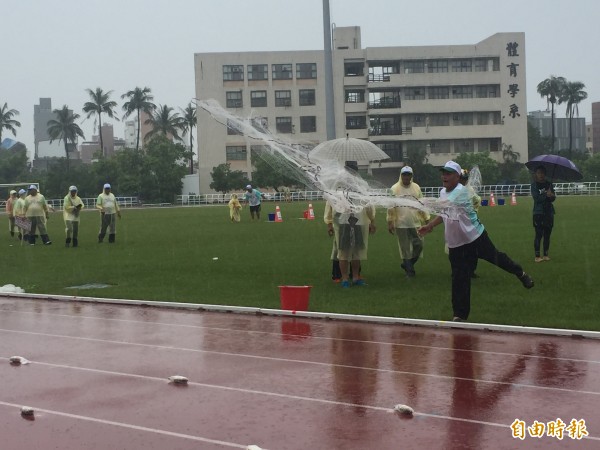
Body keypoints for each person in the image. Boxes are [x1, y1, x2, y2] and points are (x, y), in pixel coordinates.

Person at [418, 161, 534, 322]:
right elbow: (445, 211)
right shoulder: (443, 192)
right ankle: (459, 315)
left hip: (475, 237)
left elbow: (443, 205)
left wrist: (419, 202)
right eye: (443, 172)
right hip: (456, 243)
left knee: (497, 258)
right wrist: (430, 225)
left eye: (449, 173)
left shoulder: (461, 192)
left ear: (457, 177)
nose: (444, 176)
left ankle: (520, 273)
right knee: (459, 279)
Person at [324, 161, 376, 288]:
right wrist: (329, 223)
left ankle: (356, 277)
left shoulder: (361, 185)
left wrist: (371, 220)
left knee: (357, 251)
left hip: (358, 221)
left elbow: (367, 203)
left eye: (353, 170)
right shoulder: (338, 185)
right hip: (342, 222)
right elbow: (330, 203)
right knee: (343, 251)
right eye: (349, 170)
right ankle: (345, 278)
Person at [386, 166, 430, 278]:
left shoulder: (416, 187)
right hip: (401, 223)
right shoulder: (394, 188)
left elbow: (422, 203)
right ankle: (410, 272)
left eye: (408, 174)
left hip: (415, 222)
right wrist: (390, 221)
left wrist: (426, 218)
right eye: (404, 174)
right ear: (401, 175)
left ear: (411, 175)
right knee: (405, 248)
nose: (406, 177)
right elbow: (390, 206)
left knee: (419, 245)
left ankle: (408, 264)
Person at [531, 166, 555, 262]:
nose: (541, 175)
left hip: (549, 212)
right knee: (538, 234)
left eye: (542, 173)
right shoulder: (534, 185)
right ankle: (537, 256)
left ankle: (545, 254)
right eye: (539, 173)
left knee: (547, 234)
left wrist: (552, 195)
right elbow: (537, 198)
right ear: (536, 174)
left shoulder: (549, 184)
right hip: (538, 212)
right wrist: (546, 194)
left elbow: (552, 199)